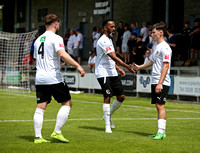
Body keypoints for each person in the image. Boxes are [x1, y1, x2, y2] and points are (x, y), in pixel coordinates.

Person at [33, 14, 85, 144]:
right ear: (56, 24)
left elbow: (38, 58)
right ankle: (57, 132)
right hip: (53, 77)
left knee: (40, 107)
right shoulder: (56, 38)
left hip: (40, 78)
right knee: (67, 103)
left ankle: (38, 138)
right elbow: (62, 54)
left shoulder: (38, 40)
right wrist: (77, 65)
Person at [95, 19, 135, 133]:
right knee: (107, 96)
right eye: (111, 27)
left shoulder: (109, 39)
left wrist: (118, 68)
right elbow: (113, 56)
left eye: (114, 26)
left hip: (112, 72)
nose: (113, 28)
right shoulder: (103, 40)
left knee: (121, 96)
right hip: (102, 72)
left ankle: (107, 116)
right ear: (105, 28)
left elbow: (109, 59)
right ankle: (107, 125)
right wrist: (126, 66)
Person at [133, 22, 172, 140]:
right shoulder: (156, 47)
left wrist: (160, 83)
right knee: (157, 105)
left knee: (160, 105)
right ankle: (159, 131)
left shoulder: (165, 47)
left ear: (161, 33)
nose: (152, 35)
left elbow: (166, 66)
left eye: (154, 32)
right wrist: (139, 67)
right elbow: (151, 61)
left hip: (162, 81)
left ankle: (162, 132)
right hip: (155, 80)